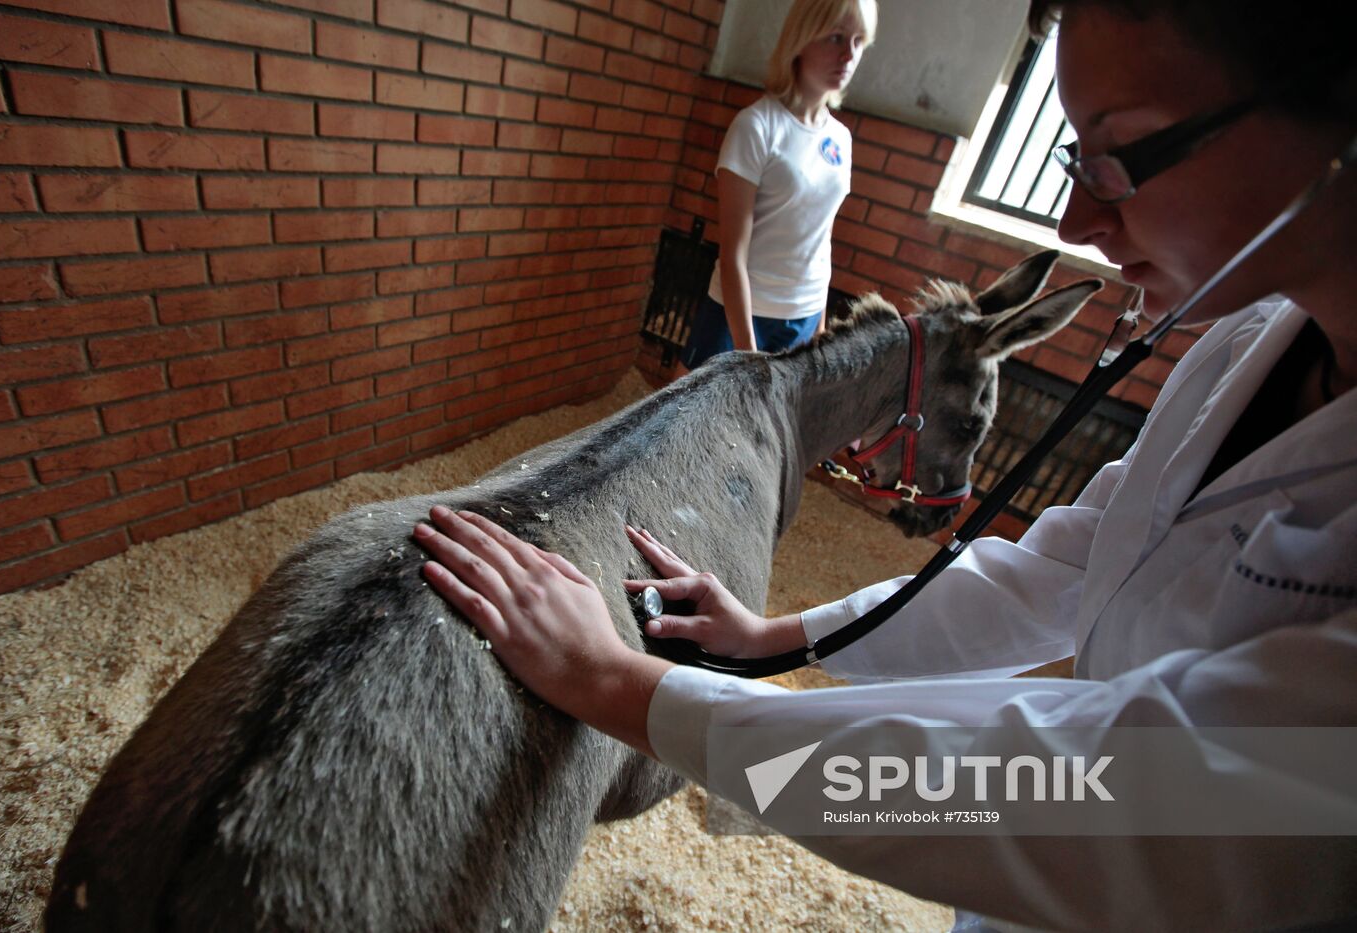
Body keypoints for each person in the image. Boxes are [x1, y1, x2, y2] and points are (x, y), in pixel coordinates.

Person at [412, 1, 1357, 929]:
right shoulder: (1245, 344)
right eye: (1075, 162)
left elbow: (1108, 800)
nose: (1074, 221)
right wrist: (777, 640)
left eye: (1118, 160)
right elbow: (1059, 569)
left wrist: (622, 688)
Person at [679, 0, 877, 370]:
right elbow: (733, 254)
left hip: (801, 314)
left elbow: (822, 239)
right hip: (738, 310)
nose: (848, 55)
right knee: (689, 420)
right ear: (800, 40)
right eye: (835, 38)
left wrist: (820, 326)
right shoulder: (756, 127)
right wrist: (747, 355)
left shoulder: (841, 140)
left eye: (858, 41)